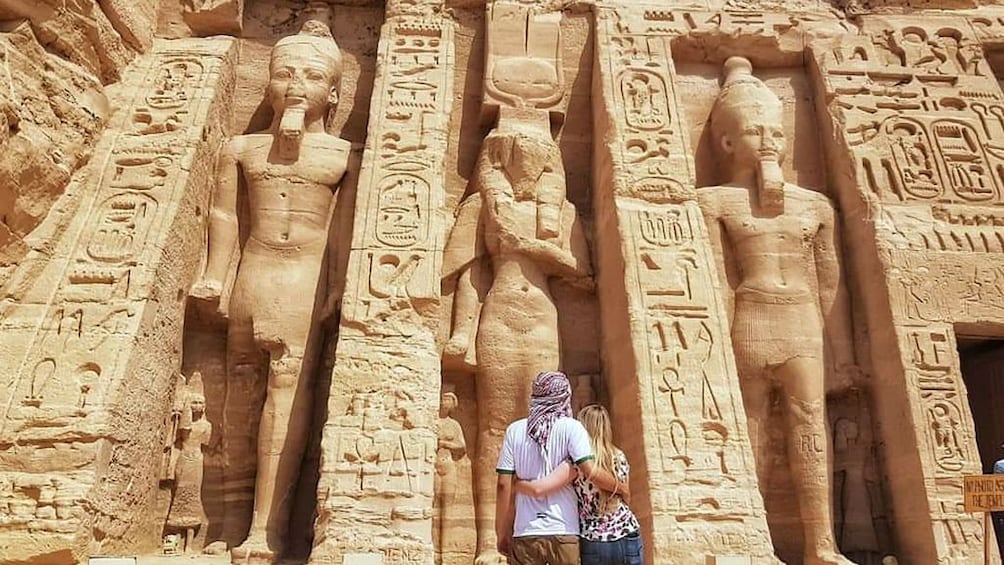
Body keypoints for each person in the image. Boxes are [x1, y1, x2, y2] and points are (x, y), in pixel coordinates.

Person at [189, 18, 350, 562]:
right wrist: (216, 274)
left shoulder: (342, 155)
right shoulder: (241, 148)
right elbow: (224, 217)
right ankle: (228, 524)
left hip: (303, 281)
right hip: (254, 274)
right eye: (285, 73)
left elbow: (341, 233)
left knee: (287, 397)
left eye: (310, 75)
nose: (296, 85)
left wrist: (338, 286)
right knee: (238, 400)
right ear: (268, 86)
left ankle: (267, 530)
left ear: (333, 93)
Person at [696, 56, 857, 565]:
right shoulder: (714, 203)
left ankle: (821, 546)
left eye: (777, 133)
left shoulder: (814, 207)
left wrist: (843, 353)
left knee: (810, 422)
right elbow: (713, 282)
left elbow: (832, 286)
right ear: (726, 143)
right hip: (750, 317)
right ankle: (754, 542)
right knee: (748, 427)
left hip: (802, 321)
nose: (769, 142)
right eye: (754, 131)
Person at [495, 371, 620, 565]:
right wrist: (620, 487)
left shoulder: (514, 430)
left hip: (526, 531)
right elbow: (589, 470)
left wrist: (501, 531)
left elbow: (504, 485)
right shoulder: (572, 427)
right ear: (564, 396)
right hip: (564, 528)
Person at [515, 404, 643, 565]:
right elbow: (626, 497)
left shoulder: (575, 464)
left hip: (594, 538)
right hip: (628, 531)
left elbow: (539, 489)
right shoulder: (619, 457)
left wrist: (516, 483)